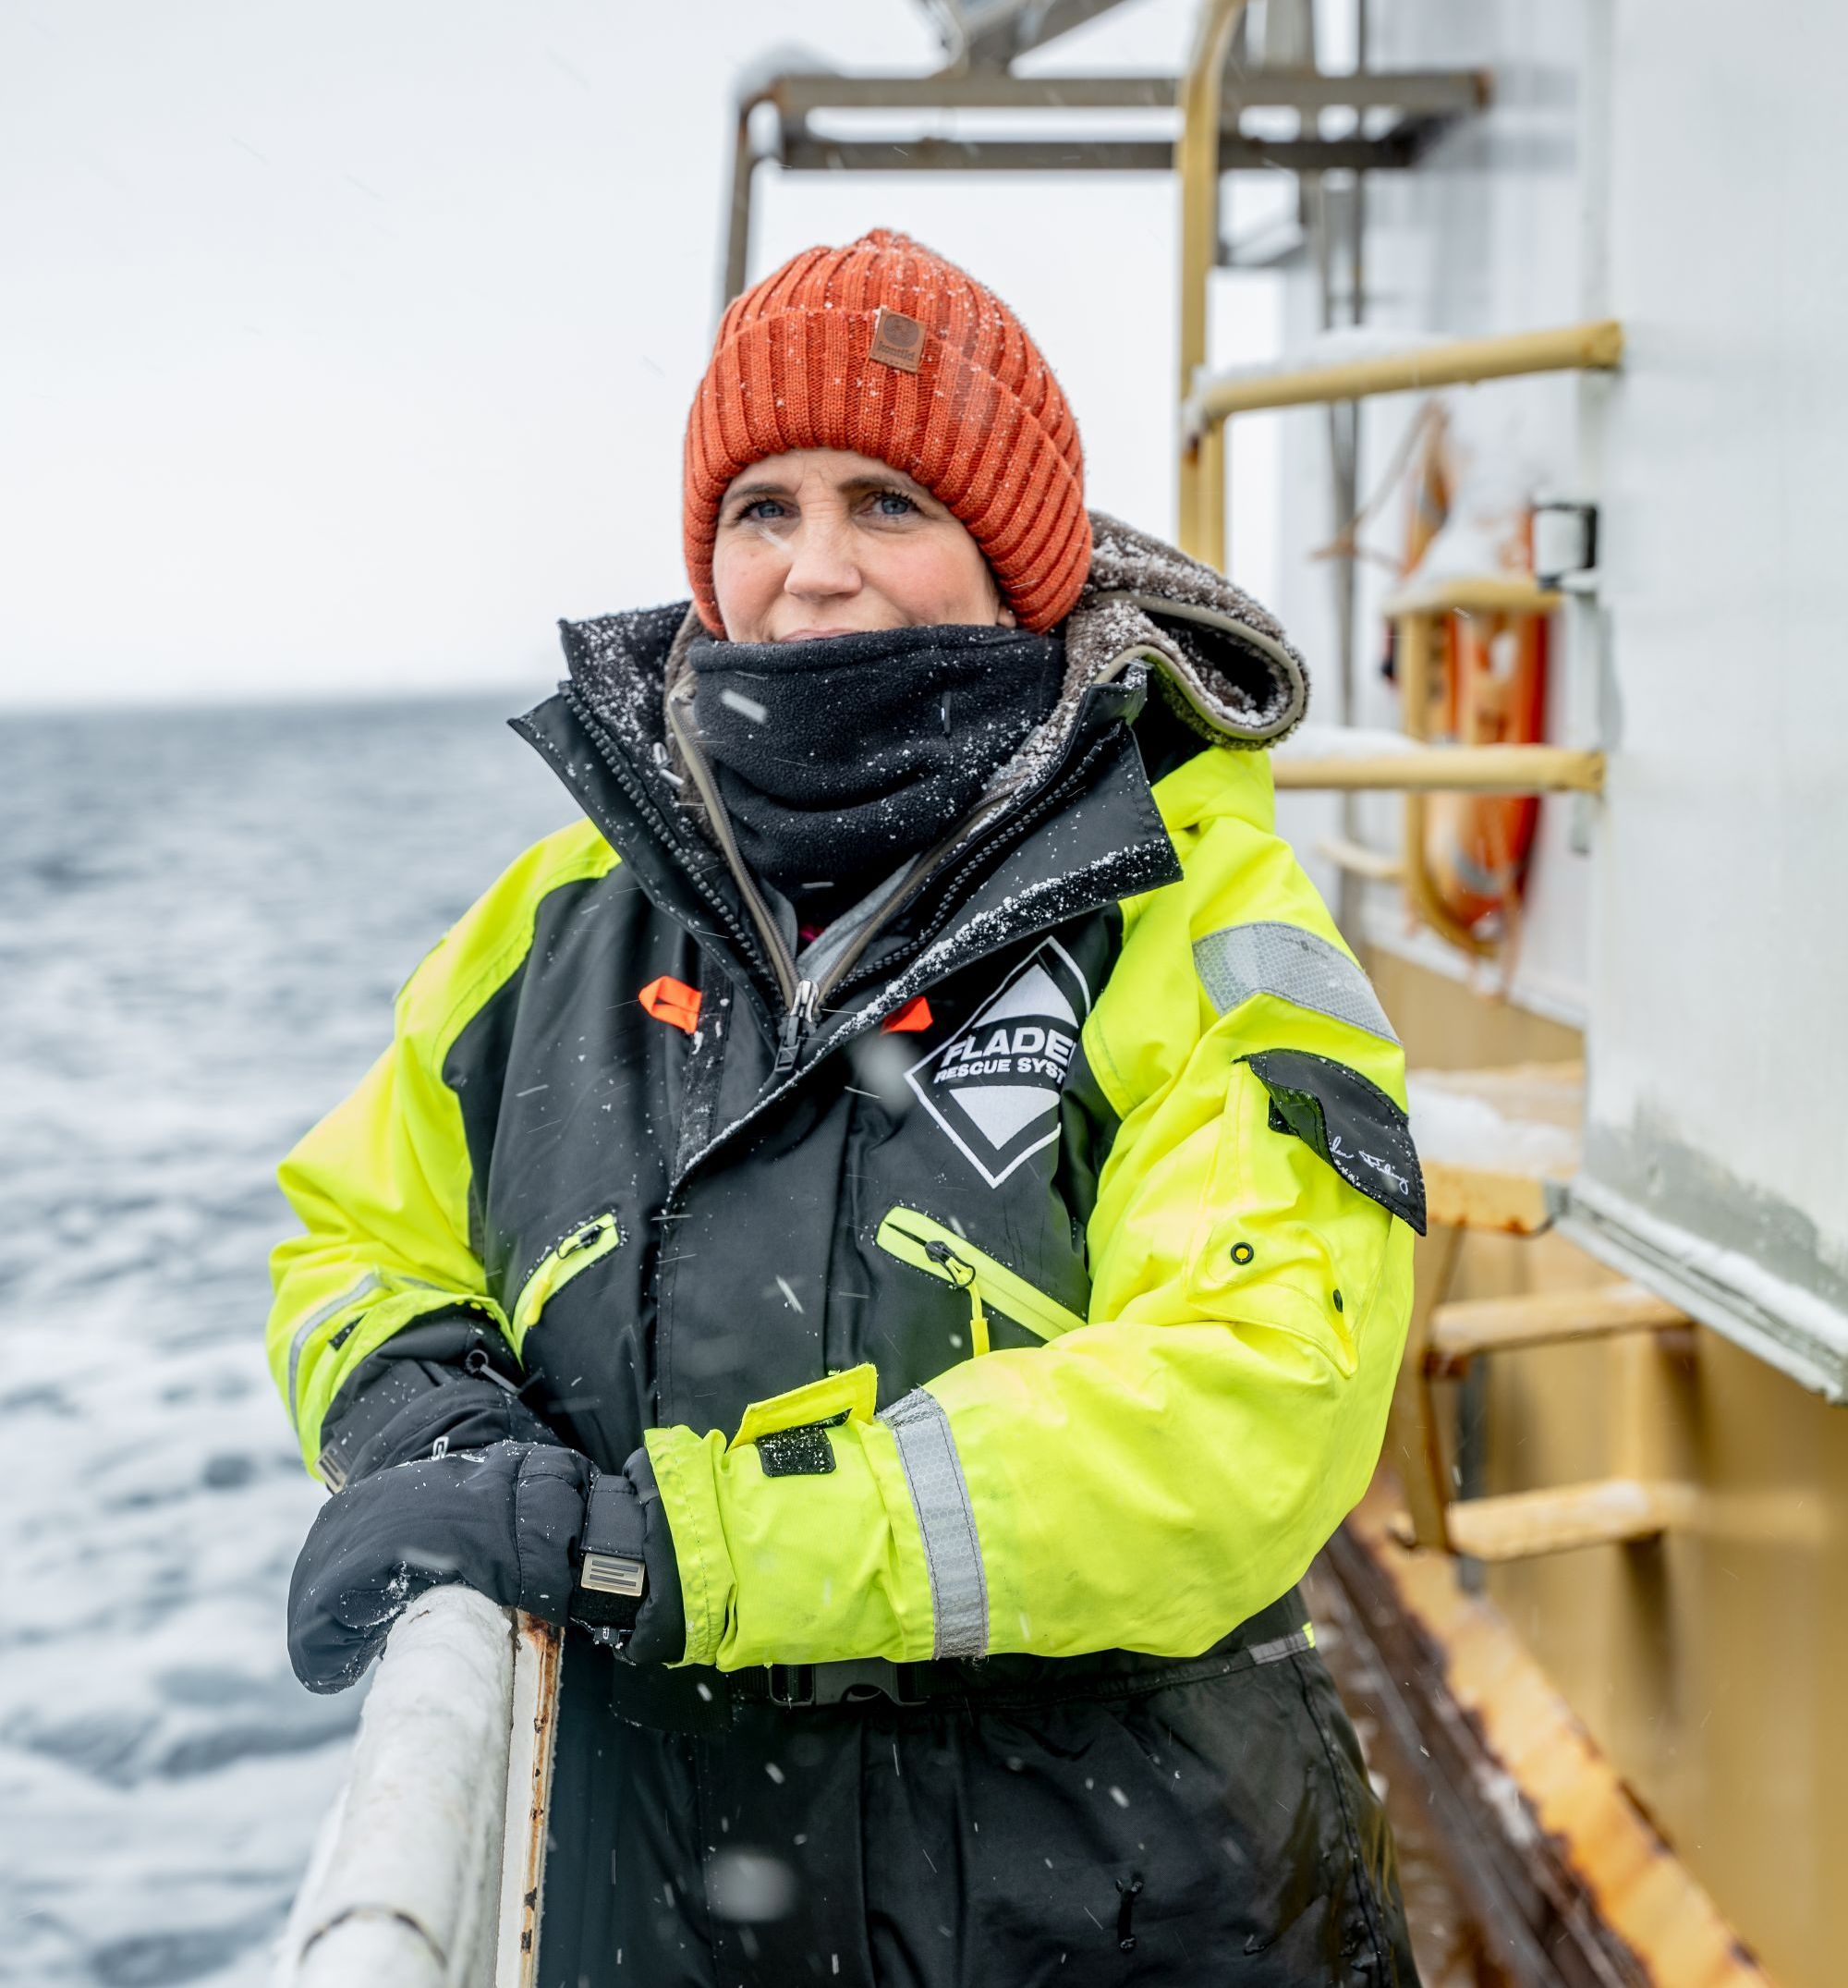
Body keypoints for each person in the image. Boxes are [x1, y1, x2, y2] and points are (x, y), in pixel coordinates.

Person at [272, 228, 1424, 1986]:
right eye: (764, 509)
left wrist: (671, 1546)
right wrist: (444, 1439)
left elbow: (1258, 1398)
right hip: (663, 1917)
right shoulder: (550, 927)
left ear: (1013, 556)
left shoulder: (1192, 912)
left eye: (889, 502)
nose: (816, 574)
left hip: (1130, 1922)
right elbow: (357, 1241)